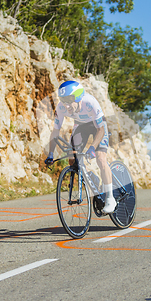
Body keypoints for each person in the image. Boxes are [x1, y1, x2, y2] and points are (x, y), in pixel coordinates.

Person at [44, 80, 116, 214]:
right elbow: (55, 132)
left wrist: (93, 147)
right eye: (62, 100)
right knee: (73, 158)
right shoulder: (61, 107)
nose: (66, 105)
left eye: (69, 100)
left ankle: (111, 198)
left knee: (100, 158)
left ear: (78, 97)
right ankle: (90, 176)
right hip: (80, 125)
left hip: (98, 126)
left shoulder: (90, 103)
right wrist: (51, 154)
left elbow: (100, 130)